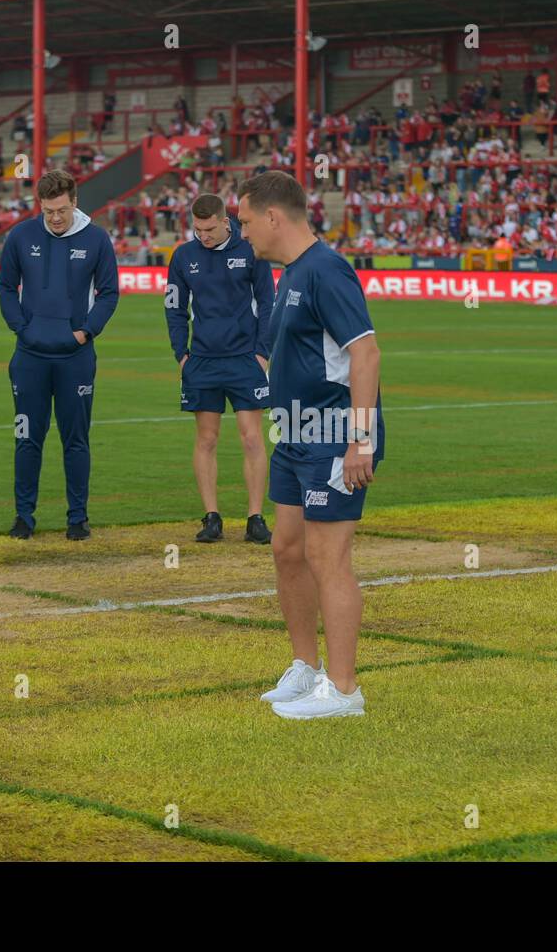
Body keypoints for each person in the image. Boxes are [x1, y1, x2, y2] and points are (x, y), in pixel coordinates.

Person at [236, 170, 385, 720]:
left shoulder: (326, 270)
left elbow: (366, 354)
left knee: (328, 556)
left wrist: (360, 441)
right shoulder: (289, 274)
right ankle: (306, 668)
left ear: (274, 217)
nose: (244, 233)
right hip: (294, 433)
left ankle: (344, 691)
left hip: (332, 436)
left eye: (247, 222)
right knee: (287, 550)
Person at [0, 170, 119, 540]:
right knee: (27, 437)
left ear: (75, 202)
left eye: (61, 210)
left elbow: (109, 293)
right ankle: (23, 516)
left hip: (75, 358)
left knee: (75, 440)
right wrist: (22, 327)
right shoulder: (20, 235)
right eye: (48, 210)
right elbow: (4, 286)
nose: (55, 218)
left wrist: (85, 331)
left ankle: (78, 517)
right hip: (29, 356)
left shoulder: (97, 239)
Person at [165, 193, 276, 544]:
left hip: (245, 359)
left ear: (225, 221)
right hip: (202, 360)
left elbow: (268, 302)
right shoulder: (183, 256)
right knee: (207, 438)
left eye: (210, 228)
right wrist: (181, 354)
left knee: (252, 437)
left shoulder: (249, 250)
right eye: (198, 229)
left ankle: (255, 517)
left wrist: (262, 353)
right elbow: (174, 307)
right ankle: (211, 517)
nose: (204, 235)